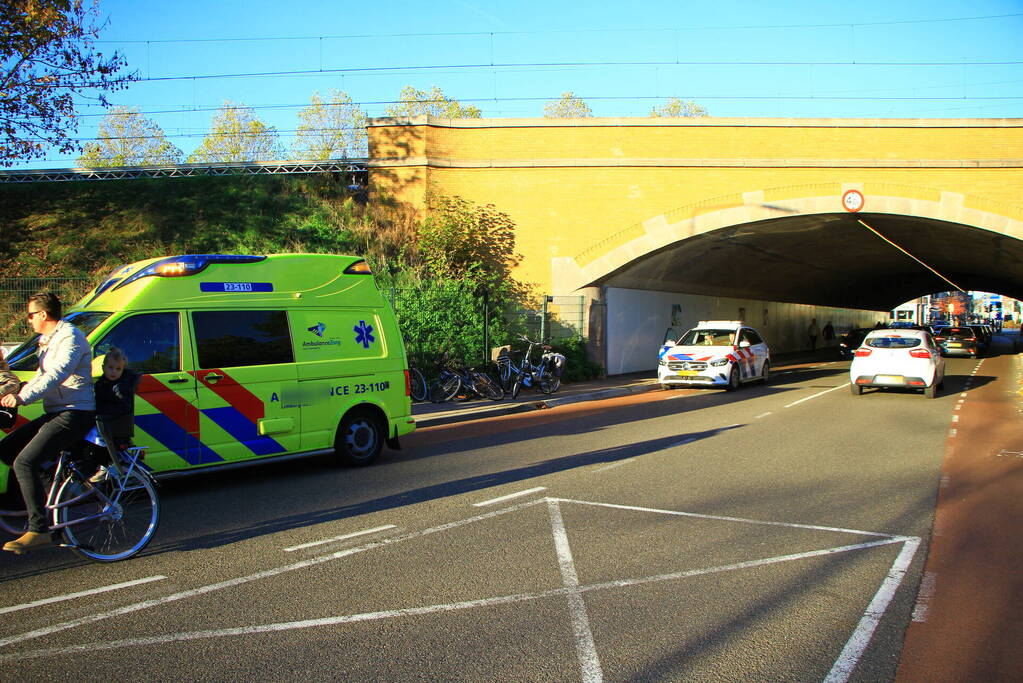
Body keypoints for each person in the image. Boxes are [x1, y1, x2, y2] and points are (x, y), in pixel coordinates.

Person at [0, 292, 95, 554]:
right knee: (7, 450)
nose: (28, 320)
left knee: (25, 461)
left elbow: (56, 374)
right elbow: (41, 376)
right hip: (57, 410)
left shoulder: (70, 337)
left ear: (43, 314)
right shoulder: (48, 340)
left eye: (30, 315)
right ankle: (47, 503)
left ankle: (38, 529)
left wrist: (21, 397)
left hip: (75, 412)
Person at [89, 347, 140, 482]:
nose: (114, 372)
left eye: (118, 369)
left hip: (114, 421)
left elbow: (123, 405)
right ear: (103, 367)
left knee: (99, 440)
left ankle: (107, 465)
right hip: (108, 419)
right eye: (111, 368)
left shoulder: (121, 385)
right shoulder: (101, 384)